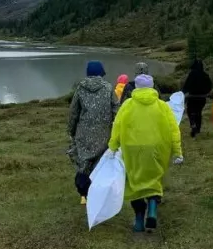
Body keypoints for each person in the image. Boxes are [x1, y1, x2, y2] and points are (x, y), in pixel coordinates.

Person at [108, 74, 184, 233]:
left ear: (136, 87)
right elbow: (173, 130)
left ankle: (138, 220)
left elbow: (117, 126)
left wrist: (113, 147)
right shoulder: (162, 106)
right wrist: (177, 152)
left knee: (134, 182)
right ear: (152, 86)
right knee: (154, 179)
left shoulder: (127, 105)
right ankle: (153, 209)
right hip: (157, 149)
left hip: (132, 149)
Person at [68, 61, 119, 205]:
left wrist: (71, 130)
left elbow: (73, 112)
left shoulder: (80, 88)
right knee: (100, 164)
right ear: (101, 72)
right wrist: (117, 130)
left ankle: (84, 194)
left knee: (84, 163)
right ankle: (98, 194)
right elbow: (116, 110)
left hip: (83, 133)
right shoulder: (108, 88)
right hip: (104, 133)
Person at [182, 59, 213, 138]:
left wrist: (182, 92)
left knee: (190, 111)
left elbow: (186, 85)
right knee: (198, 112)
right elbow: (209, 87)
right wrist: (205, 92)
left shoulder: (191, 74)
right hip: (202, 98)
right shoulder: (205, 75)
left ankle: (193, 124)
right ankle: (198, 129)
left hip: (192, 97)